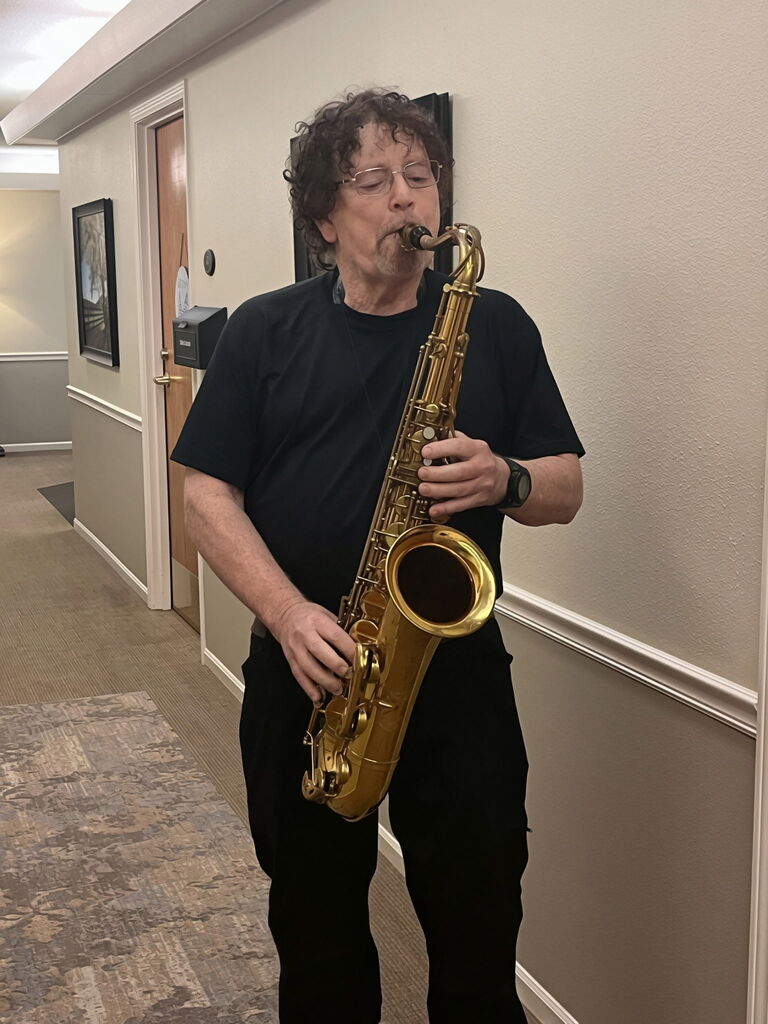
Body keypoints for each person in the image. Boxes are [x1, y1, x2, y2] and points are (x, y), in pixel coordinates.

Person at [171, 88, 584, 1024]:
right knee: (316, 936)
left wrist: (507, 477)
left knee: (480, 933)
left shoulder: (495, 323)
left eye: (421, 175)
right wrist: (286, 614)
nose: (407, 198)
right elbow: (206, 497)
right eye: (374, 180)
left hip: (456, 674)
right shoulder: (264, 331)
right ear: (325, 216)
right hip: (308, 670)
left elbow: (565, 488)